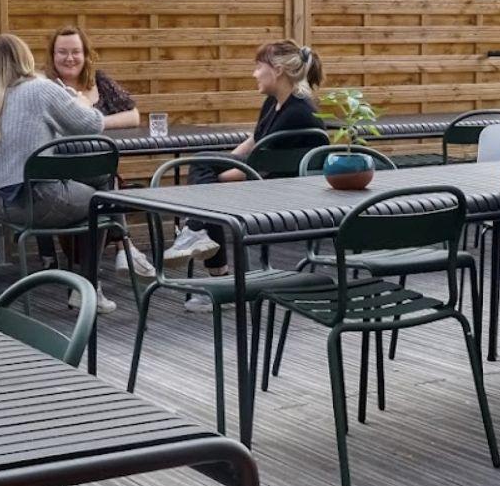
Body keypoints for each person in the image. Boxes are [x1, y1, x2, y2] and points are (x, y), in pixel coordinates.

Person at [0, 33, 118, 313]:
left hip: (2, 205)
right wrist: (81, 102)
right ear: (25, 57)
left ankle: (79, 273)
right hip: (39, 200)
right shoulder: (40, 89)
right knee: (102, 201)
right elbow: (90, 125)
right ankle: (88, 287)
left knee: (99, 184)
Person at [162, 39, 327, 311]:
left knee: (205, 176)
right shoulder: (276, 103)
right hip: (263, 182)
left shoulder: (299, 113)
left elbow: (258, 166)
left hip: (280, 195)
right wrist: (219, 165)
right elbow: (253, 143)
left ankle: (208, 255)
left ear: (277, 70)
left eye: (257, 67)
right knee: (205, 162)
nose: (253, 74)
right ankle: (200, 236)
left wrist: (217, 180)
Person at [46, 25, 154, 278]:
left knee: (107, 176)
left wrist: (96, 122)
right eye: (62, 52)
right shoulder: (46, 87)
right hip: (61, 171)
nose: (70, 58)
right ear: (52, 56)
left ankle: (111, 259)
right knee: (107, 180)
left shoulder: (99, 80)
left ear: (86, 54)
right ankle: (124, 246)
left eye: (76, 51)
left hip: (99, 163)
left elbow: (133, 115)